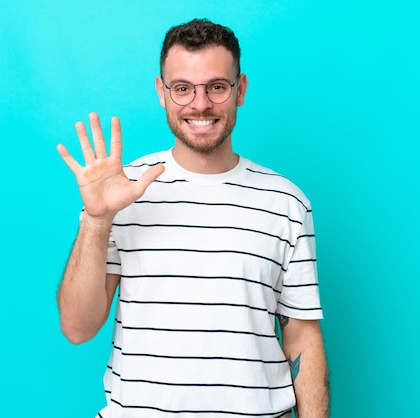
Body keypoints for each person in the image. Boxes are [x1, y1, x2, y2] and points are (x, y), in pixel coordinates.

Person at [56, 18, 329, 418]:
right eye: (182, 89)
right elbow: (78, 329)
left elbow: (302, 335)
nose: (200, 104)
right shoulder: (121, 192)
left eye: (216, 87)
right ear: (161, 93)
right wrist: (98, 220)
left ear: (240, 90)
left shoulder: (286, 202)